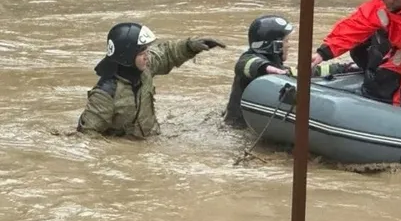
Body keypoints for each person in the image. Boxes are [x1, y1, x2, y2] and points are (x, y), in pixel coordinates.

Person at [76, 22, 226, 138]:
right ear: (127, 56)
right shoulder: (105, 94)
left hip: (150, 139)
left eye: (147, 50)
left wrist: (190, 46)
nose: (147, 56)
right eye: (142, 52)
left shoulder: (145, 68)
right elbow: (87, 136)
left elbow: (167, 53)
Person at [223, 14, 360, 128]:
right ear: (275, 46)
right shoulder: (250, 59)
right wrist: (266, 68)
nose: (288, 45)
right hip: (238, 127)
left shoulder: (279, 68)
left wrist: (344, 68)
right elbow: (244, 64)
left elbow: (308, 72)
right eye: (286, 41)